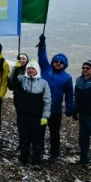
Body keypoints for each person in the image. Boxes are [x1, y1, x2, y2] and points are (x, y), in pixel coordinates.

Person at [37, 34, 74, 162]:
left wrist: (69, 108)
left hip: (56, 110)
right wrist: (42, 44)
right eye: (56, 61)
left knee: (54, 133)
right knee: (39, 131)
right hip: (41, 107)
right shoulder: (46, 69)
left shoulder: (67, 78)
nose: (58, 63)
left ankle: (55, 154)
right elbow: (42, 56)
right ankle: (39, 150)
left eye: (61, 62)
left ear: (64, 65)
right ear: (53, 62)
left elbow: (69, 95)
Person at [8, 60, 52, 165]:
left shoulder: (43, 83)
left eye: (33, 69)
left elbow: (47, 100)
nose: (30, 70)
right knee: (24, 137)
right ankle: (23, 159)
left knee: (37, 139)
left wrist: (45, 116)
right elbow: (12, 82)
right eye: (29, 69)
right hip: (23, 115)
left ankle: (36, 161)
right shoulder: (21, 79)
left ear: (37, 70)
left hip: (37, 116)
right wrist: (16, 68)